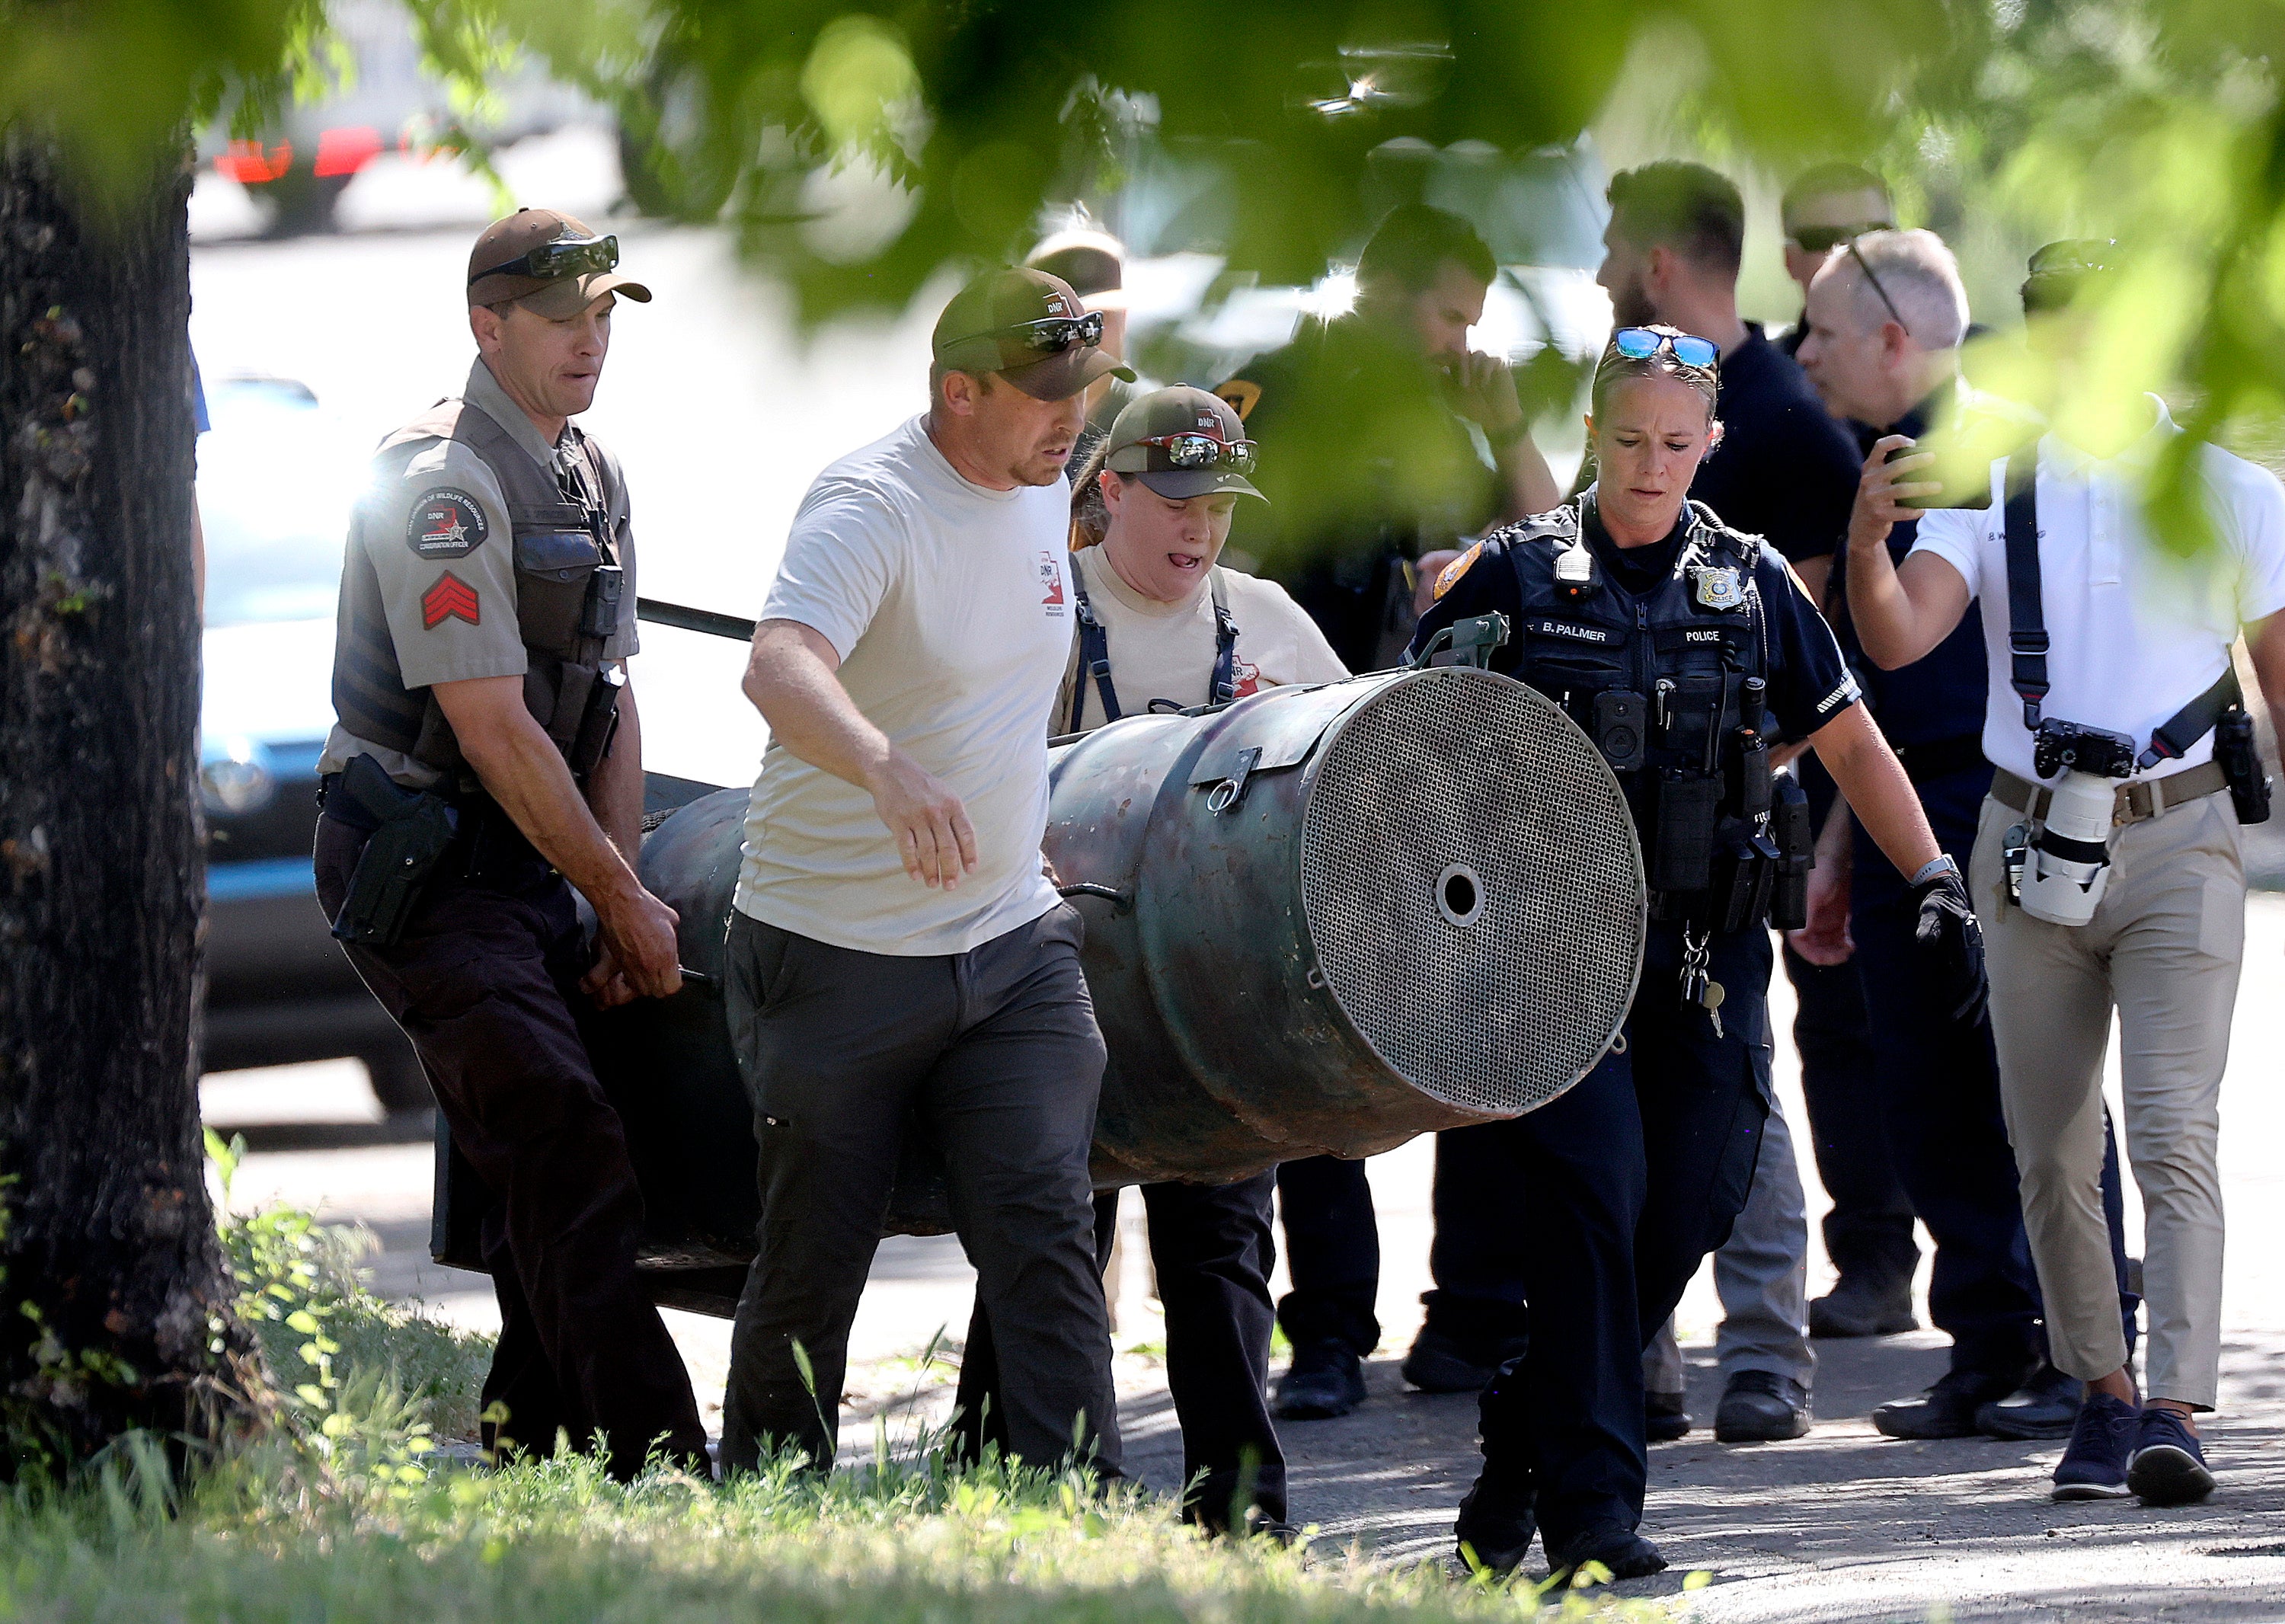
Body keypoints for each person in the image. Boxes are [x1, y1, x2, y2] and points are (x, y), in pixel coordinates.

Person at [1417, 324, 1986, 1581]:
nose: (1652, 465)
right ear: (1589, 432)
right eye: (1629, 440)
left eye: (1678, 444)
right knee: (1594, 1203)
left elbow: (1847, 738)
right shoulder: (1512, 575)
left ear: (1711, 444)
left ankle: (1524, 1433)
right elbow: (1401, 740)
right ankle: (1597, 1521)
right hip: (1555, 958)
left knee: (1680, 1212)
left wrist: (1934, 875)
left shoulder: (1750, 584)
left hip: (1708, 957)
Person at [1846, 240, 2285, 1507]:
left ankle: (2177, 1404)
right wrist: (1871, 537)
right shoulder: (1995, 486)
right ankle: (2099, 1390)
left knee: (2171, 1126)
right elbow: (1899, 632)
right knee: (2046, 1139)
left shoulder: (2229, 492)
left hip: (2182, 833)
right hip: (2029, 834)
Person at [721, 266, 1136, 1479]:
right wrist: (886, 769)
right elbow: (780, 665)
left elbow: (1005, 669)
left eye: (1084, 390)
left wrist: (1019, 810)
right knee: (811, 1272)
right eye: (1046, 393)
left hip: (1009, 946)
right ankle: (764, 1521)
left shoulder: (1041, 476)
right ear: (960, 391)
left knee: (1050, 1230)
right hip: (833, 955)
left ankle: (1080, 1522)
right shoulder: (869, 505)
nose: (1072, 418)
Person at [313, 208, 707, 1477]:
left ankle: (525, 1444)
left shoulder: (589, 472)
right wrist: (616, 896)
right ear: (490, 326)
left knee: (560, 1140)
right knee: (558, 1128)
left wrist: (620, 888)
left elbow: (610, 698)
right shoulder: (439, 483)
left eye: (606, 313)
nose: (592, 339)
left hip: (531, 857)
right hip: (422, 863)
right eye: (562, 317)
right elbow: (488, 724)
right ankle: (659, 1462)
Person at [953, 386, 1346, 1534]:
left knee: (1221, 1248)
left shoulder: (1269, 623)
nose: (1199, 530)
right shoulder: (1039, 613)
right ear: (1109, 492)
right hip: (1053, 987)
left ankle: (1241, 1509)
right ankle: (1020, 1479)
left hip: (1215, 1012)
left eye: (1220, 506)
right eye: (1175, 502)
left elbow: (1348, 791)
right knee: (1049, 1232)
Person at [1214, 203, 1559, 1423]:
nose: (1461, 339)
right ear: (1380, 290)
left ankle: (1467, 1311)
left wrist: (1504, 424)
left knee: (1467, 1030)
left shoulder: (1455, 414)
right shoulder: (1279, 390)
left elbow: (1552, 545)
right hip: (1296, 758)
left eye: (1474, 319)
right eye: (1448, 312)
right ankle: (1321, 1333)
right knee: (1309, 1038)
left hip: (1428, 766)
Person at [1794, 228, 2138, 1443]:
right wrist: (1840, 844)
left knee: (2039, 1093)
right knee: (1925, 1091)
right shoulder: (1889, 462)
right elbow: (1870, 683)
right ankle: (1989, 1344)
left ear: (1895, 336)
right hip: (1898, 804)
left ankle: (2083, 1346)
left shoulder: (2009, 450)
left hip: (2013, 798)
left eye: (1826, 332)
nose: (1808, 354)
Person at [1596, 159, 1866, 1443]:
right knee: (1625, 1117)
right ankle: (1634, 1363)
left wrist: (1813, 844)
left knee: (1737, 1108)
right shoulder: (1621, 419)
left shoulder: (1788, 425)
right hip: (1607, 853)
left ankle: (1765, 1354)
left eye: (1612, 251)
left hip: (1729, 846)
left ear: (1656, 260)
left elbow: (1819, 682)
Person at [1026, 225, 1147, 455]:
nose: (1087, 336)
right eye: (1070, 323)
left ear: (1124, 318)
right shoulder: (1007, 422)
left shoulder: (1153, 423)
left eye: (1099, 318)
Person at [1774, 165, 1896, 359]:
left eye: (1873, 234)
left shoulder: (1941, 355)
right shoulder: (1759, 379)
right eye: (1826, 239)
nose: (1853, 253)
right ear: (1790, 261)